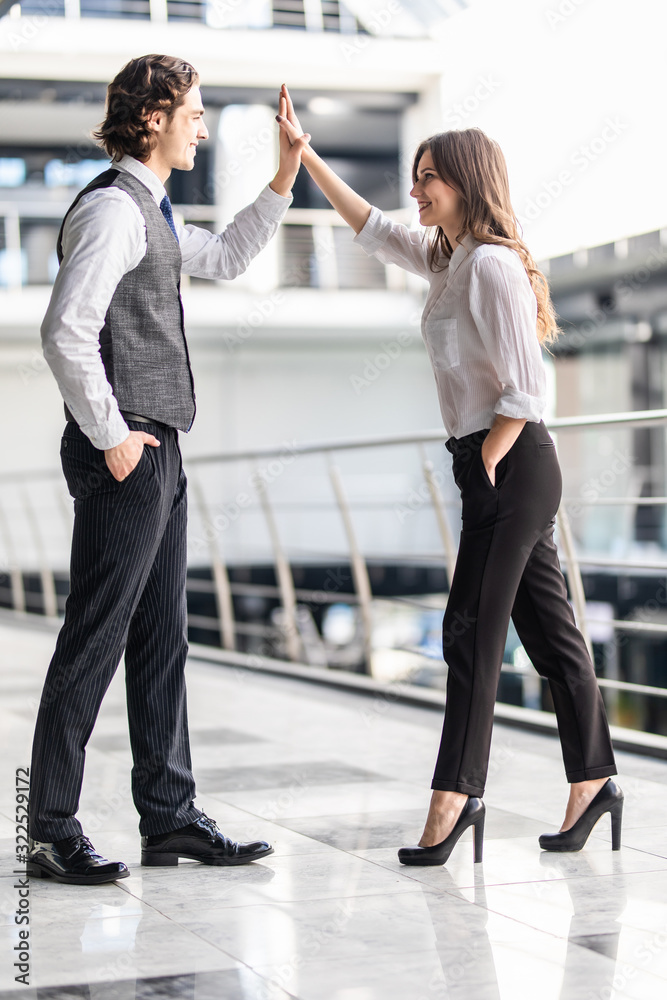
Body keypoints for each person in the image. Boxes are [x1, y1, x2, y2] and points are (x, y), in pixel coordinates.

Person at [275, 85, 623, 865]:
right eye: (414, 174)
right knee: (554, 636)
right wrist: (305, 159)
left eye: (428, 174)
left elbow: (527, 390)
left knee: (467, 631)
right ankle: (593, 778)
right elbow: (371, 229)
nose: (415, 188)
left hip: (511, 465)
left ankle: (455, 794)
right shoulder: (446, 259)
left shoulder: (492, 266)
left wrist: (489, 459)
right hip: (491, 468)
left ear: (466, 179)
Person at [26, 57, 310, 885]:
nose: (203, 125)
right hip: (128, 448)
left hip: (158, 444)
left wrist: (284, 175)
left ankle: (170, 817)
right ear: (150, 117)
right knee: (96, 637)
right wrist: (113, 436)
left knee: (162, 639)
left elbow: (223, 258)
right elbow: (64, 331)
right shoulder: (114, 211)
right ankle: (47, 827)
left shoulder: (150, 209)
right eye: (192, 111)